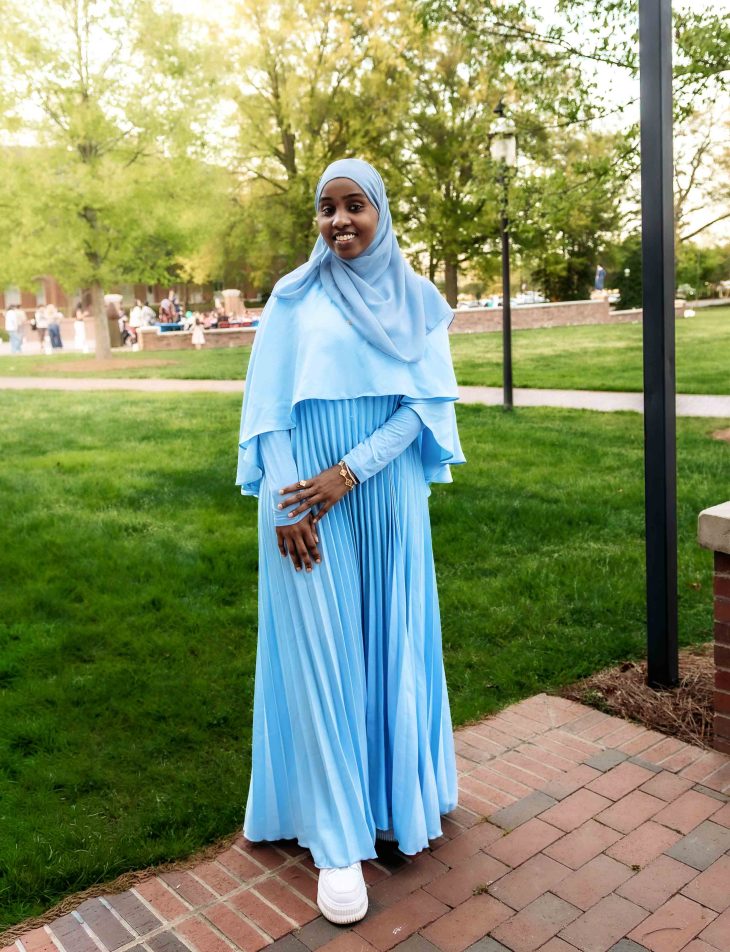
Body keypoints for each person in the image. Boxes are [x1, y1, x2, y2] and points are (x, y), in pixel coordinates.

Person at [236, 159, 465, 925]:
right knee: (322, 659)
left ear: (382, 213)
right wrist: (289, 500)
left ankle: (397, 797)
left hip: (382, 496)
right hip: (300, 502)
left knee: (389, 645)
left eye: (354, 205)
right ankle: (336, 845)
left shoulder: (417, 300)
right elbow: (267, 412)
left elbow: (421, 408)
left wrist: (349, 473)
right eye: (326, 208)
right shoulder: (292, 299)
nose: (339, 221)